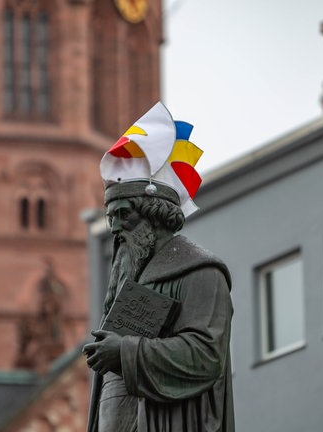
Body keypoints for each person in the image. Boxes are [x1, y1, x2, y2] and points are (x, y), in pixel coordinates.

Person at [83, 102, 234, 432]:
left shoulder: (201, 272)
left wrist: (123, 352)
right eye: (111, 218)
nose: (115, 229)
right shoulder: (128, 286)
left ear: (155, 216)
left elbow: (206, 355)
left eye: (125, 216)